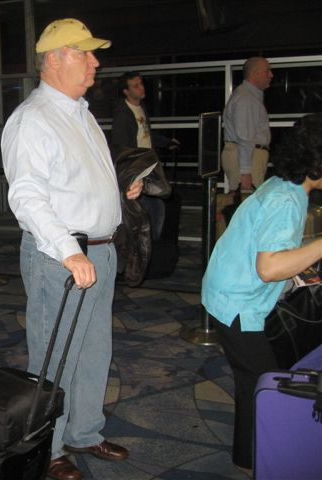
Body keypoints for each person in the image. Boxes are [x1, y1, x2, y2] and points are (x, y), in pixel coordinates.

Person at [1, 18, 142, 480]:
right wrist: (69, 251)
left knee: (94, 349)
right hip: (61, 257)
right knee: (55, 356)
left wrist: (118, 191)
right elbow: (27, 197)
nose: (95, 62)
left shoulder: (79, 113)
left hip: (98, 251)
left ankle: (83, 431)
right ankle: (48, 447)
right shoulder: (33, 119)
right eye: (85, 53)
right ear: (55, 59)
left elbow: (74, 182)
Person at [202, 113, 322, 474]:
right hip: (238, 303)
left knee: (253, 381)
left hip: (228, 292)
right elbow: (268, 268)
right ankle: (260, 462)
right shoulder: (287, 199)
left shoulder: (283, 184)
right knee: (266, 384)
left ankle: (248, 458)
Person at [111, 71, 179, 239]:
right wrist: (131, 173)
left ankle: (151, 245)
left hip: (147, 167)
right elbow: (121, 147)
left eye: (141, 84)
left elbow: (146, 135)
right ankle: (148, 246)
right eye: (136, 86)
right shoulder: (122, 115)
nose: (141, 88)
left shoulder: (140, 108)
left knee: (156, 208)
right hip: (138, 171)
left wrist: (166, 142)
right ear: (126, 91)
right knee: (151, 211)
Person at [222, 57, 273, 194]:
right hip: (247, 158)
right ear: (254, 73)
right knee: (246, 201)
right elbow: (244, 137)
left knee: (245, 200)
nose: (271, 75)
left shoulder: (249, 95)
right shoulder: (246, 98)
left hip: (248, 157)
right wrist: (245, 172)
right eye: (267, 71)